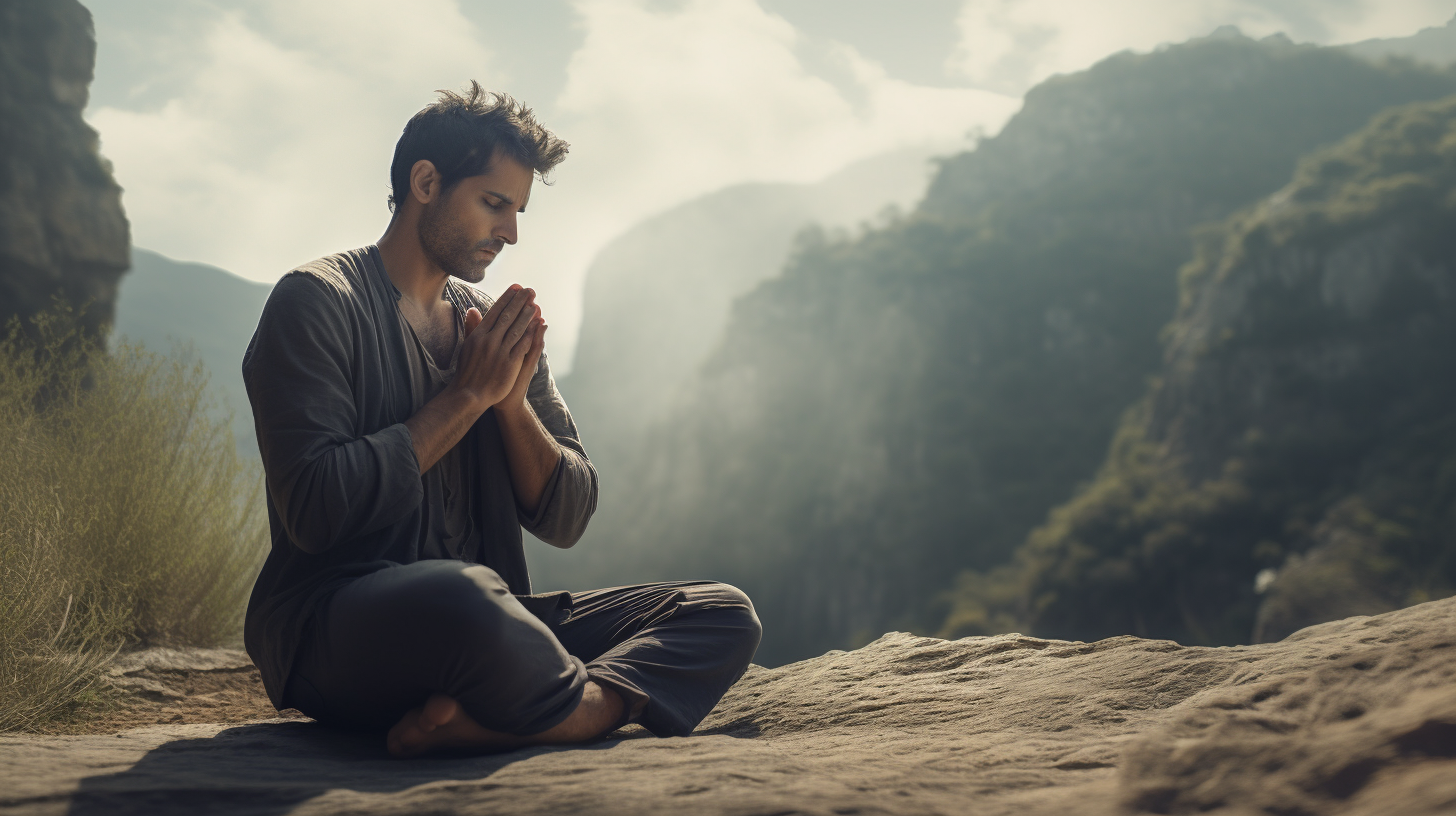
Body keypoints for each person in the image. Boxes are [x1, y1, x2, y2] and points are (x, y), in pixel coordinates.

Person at [241, 83, 762, 758]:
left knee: (719, 610)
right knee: (462, 596)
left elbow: (568, 515)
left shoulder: (493, 325)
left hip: (492, 625)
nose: (511, 232)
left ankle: (568, 711)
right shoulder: (316, 302)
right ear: (425, 182)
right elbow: (314, 509)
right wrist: (464, 398)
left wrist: (509, 405)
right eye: (494, 203)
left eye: (517, 210)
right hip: (338, 627)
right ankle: (564, 706)